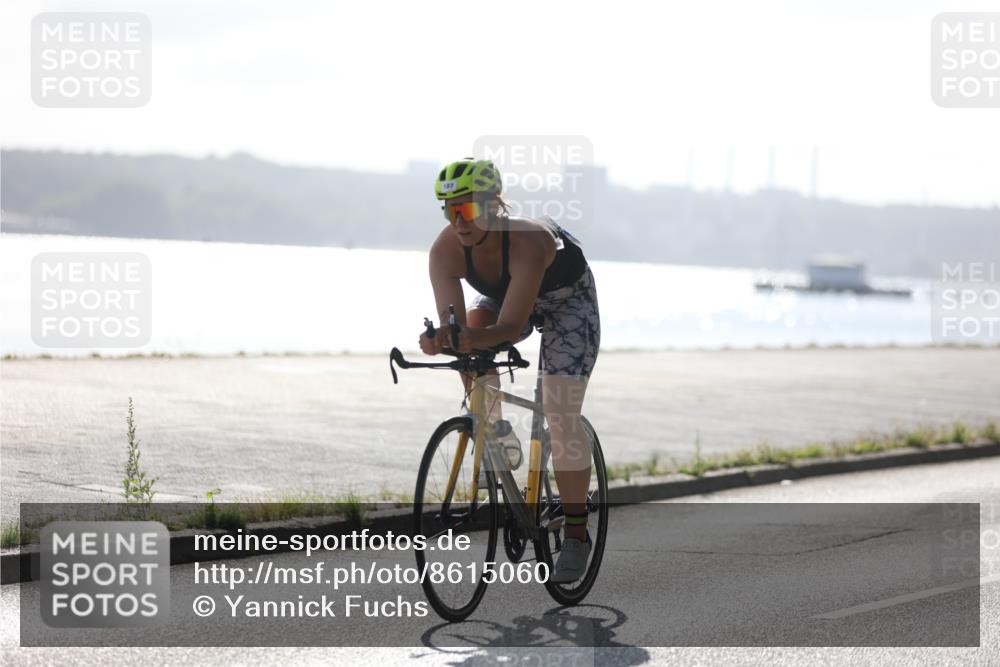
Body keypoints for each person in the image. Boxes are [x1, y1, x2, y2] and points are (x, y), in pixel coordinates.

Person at [418, 158, 600, 583]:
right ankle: (497, 429)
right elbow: (456, 325)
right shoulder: (445, 250)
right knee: (471, 337)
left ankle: (576, 534)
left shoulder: (528, 240)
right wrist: (439, 340)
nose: (457, 220)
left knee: (559, 413)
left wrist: (459, 338)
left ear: (492, 205)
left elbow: (513, 327)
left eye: (465, 209)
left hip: (566, 303)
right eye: (448, 210)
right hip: (511, 297)